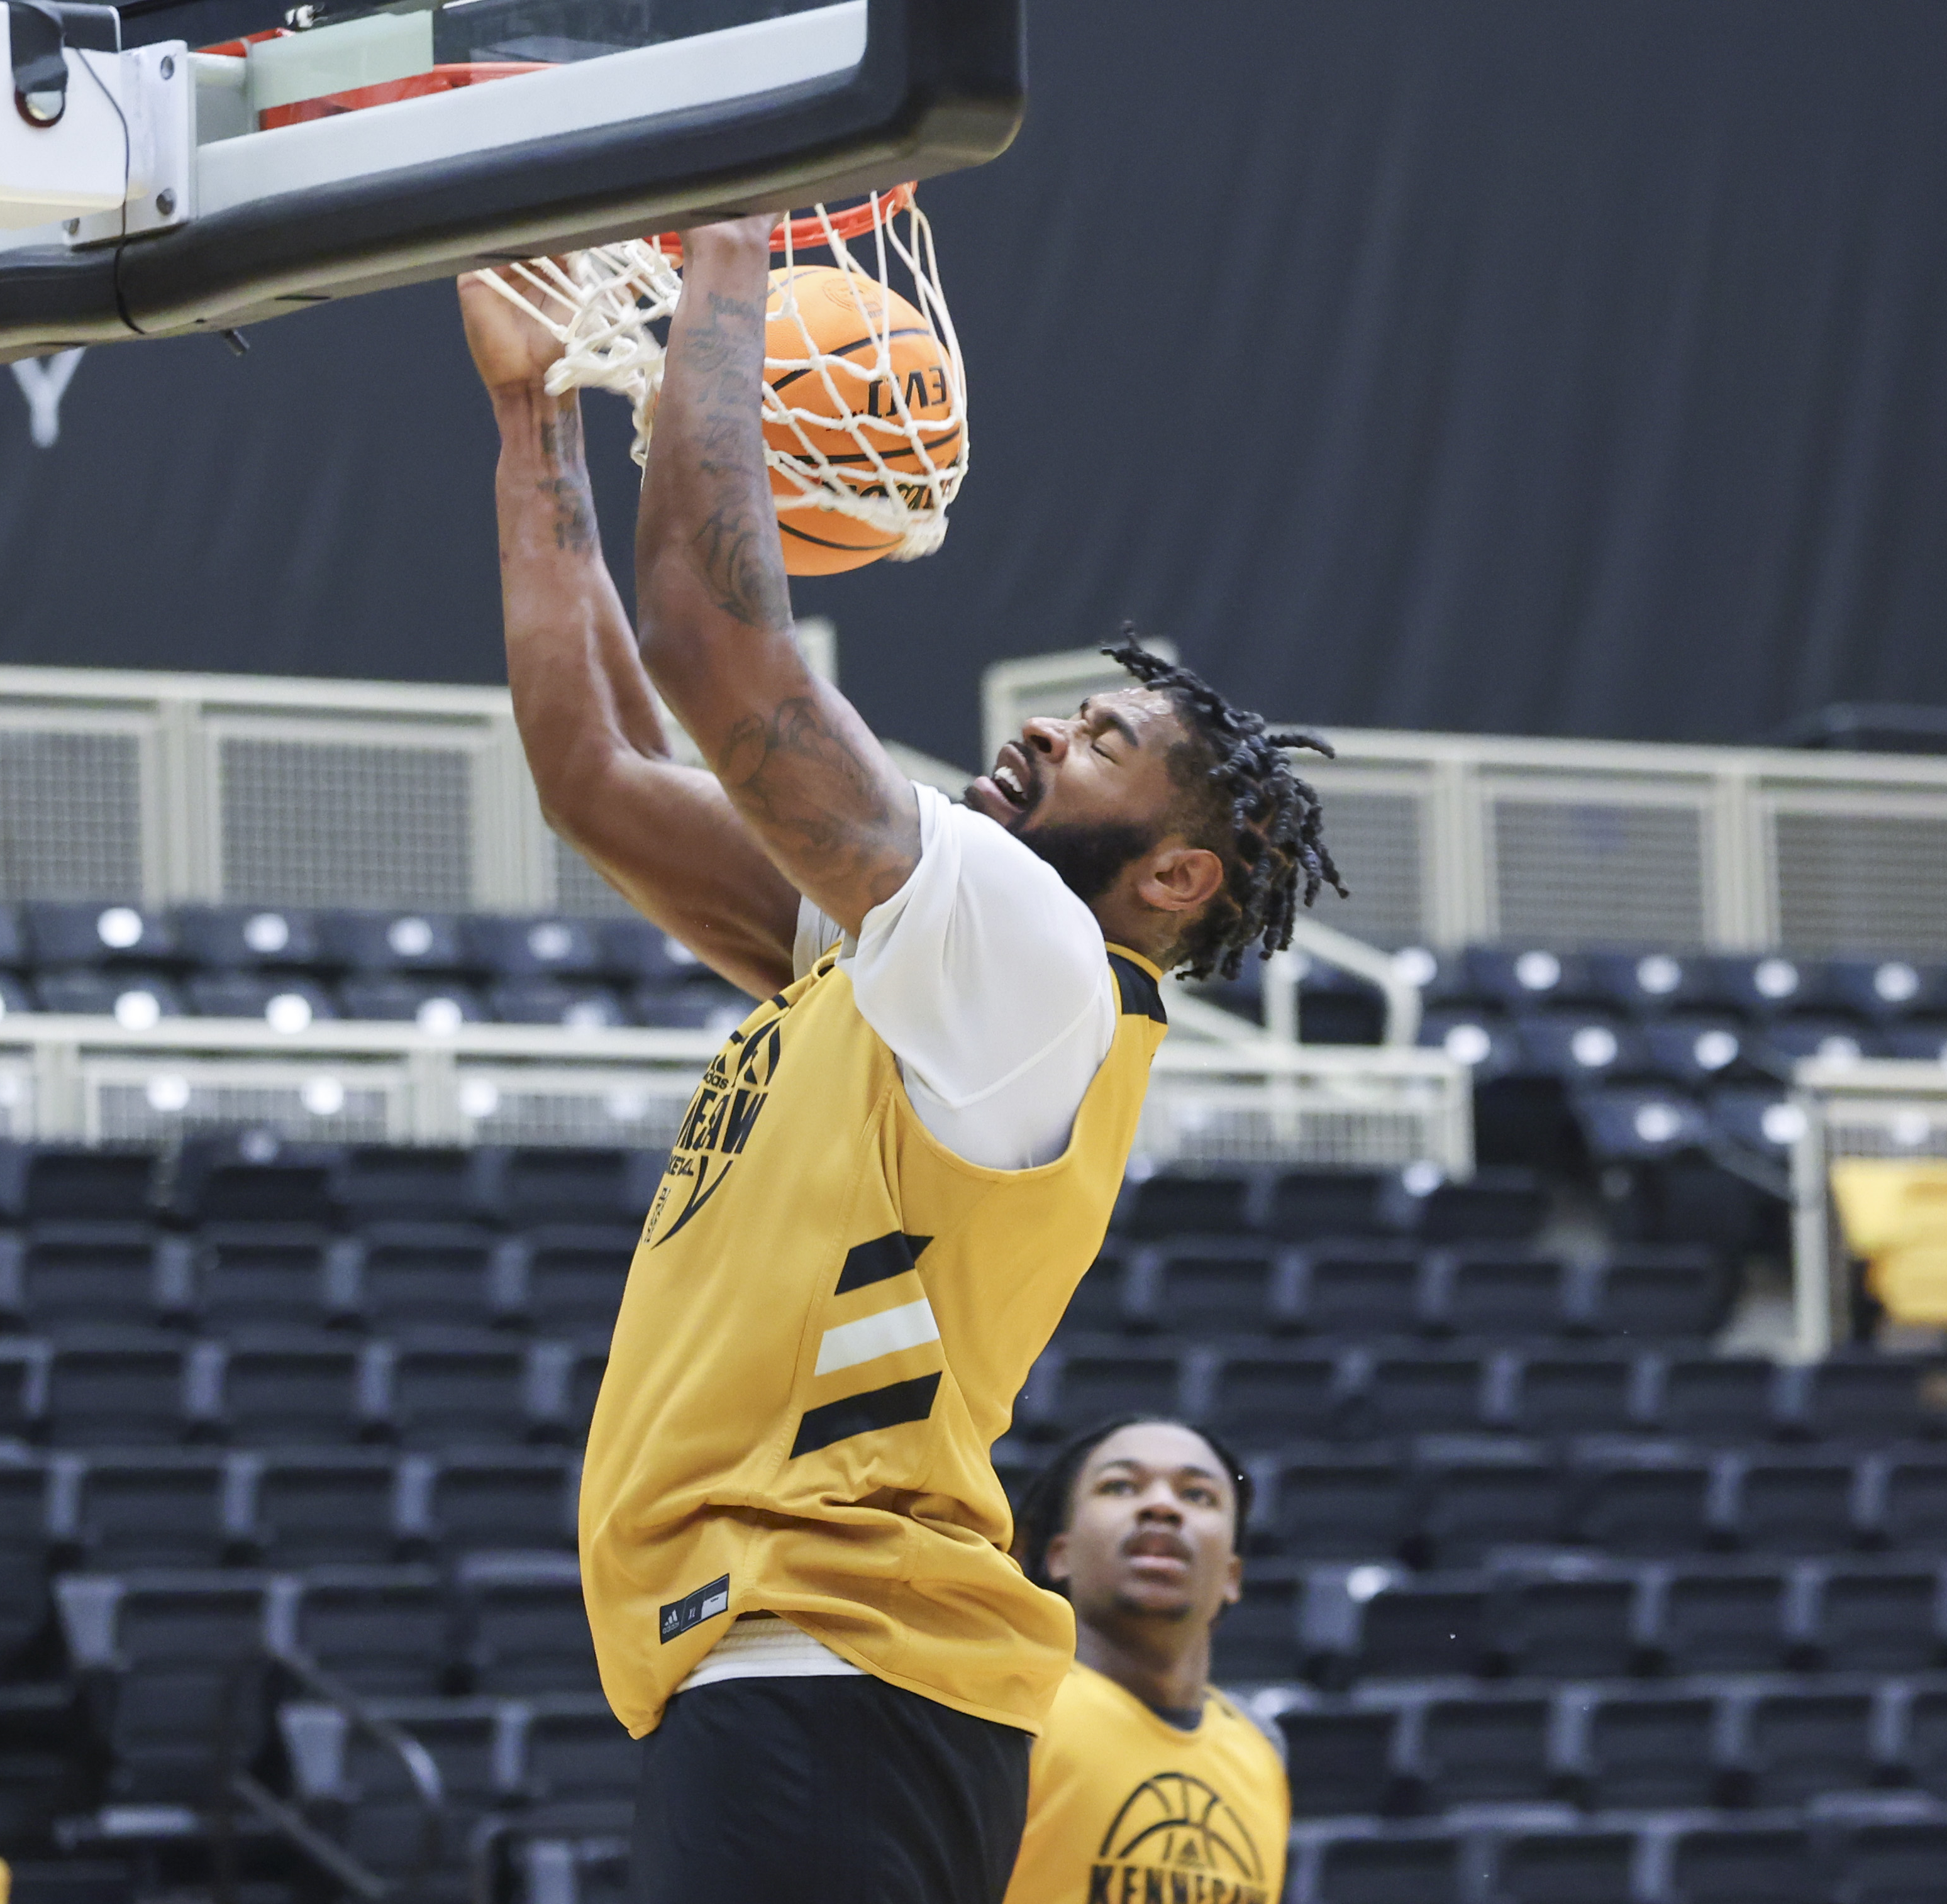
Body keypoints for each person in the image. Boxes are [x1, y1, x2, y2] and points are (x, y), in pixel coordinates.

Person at [456, 215, 1341, 1904]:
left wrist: (729, 260)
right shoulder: (936, 966)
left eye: (1100, 745)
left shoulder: (1030, 954)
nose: (1043, 731)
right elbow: (595, 765)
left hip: (833, 1661)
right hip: (816, 1672)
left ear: (1172, 878)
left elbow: (718, 657)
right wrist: (532, 416)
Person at [1006, 1417, 1290, 1904]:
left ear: (1232, 1575)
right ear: (1060, 1555)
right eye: (1120, 1486)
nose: (1161, 1506)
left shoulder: (1263, 1745)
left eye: (1197, 1495)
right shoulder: (1011, 1711)